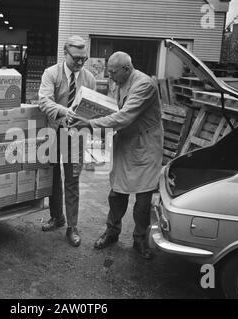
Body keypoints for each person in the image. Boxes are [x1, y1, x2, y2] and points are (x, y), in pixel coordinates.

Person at [71, 51, 163, 259]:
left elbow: (124, 116)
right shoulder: (118, 82)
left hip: (144, 146)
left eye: (113, 72)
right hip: (125, 142)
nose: (109, 76)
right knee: (117, 193)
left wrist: (90, 123)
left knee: (143, 199)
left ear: (127, 70)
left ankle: (140, 239)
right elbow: (111, 109)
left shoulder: (144, 85)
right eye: (109, 72)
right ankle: (112, 232)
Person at [38, 35, 96, 247]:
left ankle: (72, 226)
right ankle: (57, 217)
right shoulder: (51, 73)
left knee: (72, 180)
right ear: (65, 53)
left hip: (76, 136)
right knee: (53, 177)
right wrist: (65, 112)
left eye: (84, 58)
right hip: (54, 132)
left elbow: (92, 105)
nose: (80, 63)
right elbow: (44, 101)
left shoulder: (89, 78)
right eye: (76, 58)